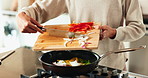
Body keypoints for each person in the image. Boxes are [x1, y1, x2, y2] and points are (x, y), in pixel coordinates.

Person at [16, 0, 146, 70]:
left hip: (111, 65)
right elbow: (39, 9)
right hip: (76, 66)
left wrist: (114, 33)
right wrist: (22, 15)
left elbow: (138, 27)